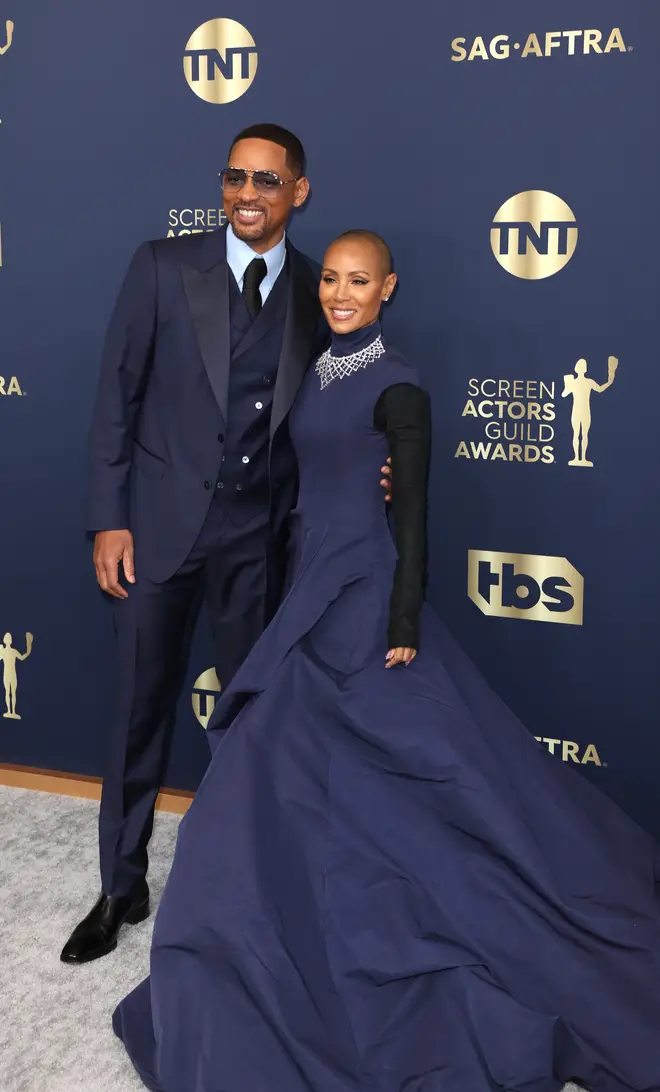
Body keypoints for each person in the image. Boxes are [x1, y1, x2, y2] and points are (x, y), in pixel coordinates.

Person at [114, 231, 660, 1092]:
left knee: (371, 750)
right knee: (290, 754)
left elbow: (412, 516)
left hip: (364, 588)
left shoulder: (397, 382)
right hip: (311, 574)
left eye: (358, 281)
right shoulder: (319, 365)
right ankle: (284, 909)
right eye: (330, 278)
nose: (338, 292)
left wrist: (401, 618)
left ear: (387, 289)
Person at [61, 123, 329, 964]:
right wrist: (109, 515)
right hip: (153, 535)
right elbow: (116, 395)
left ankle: (236, 886)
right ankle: (120, 885)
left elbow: (331, 422)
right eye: (234, 178)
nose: (247, 195)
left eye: (266, 181)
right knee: (140, 710)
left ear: (299, 192)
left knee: (249, 726)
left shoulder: (319, 293)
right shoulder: (163, 267)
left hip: (256, 542)